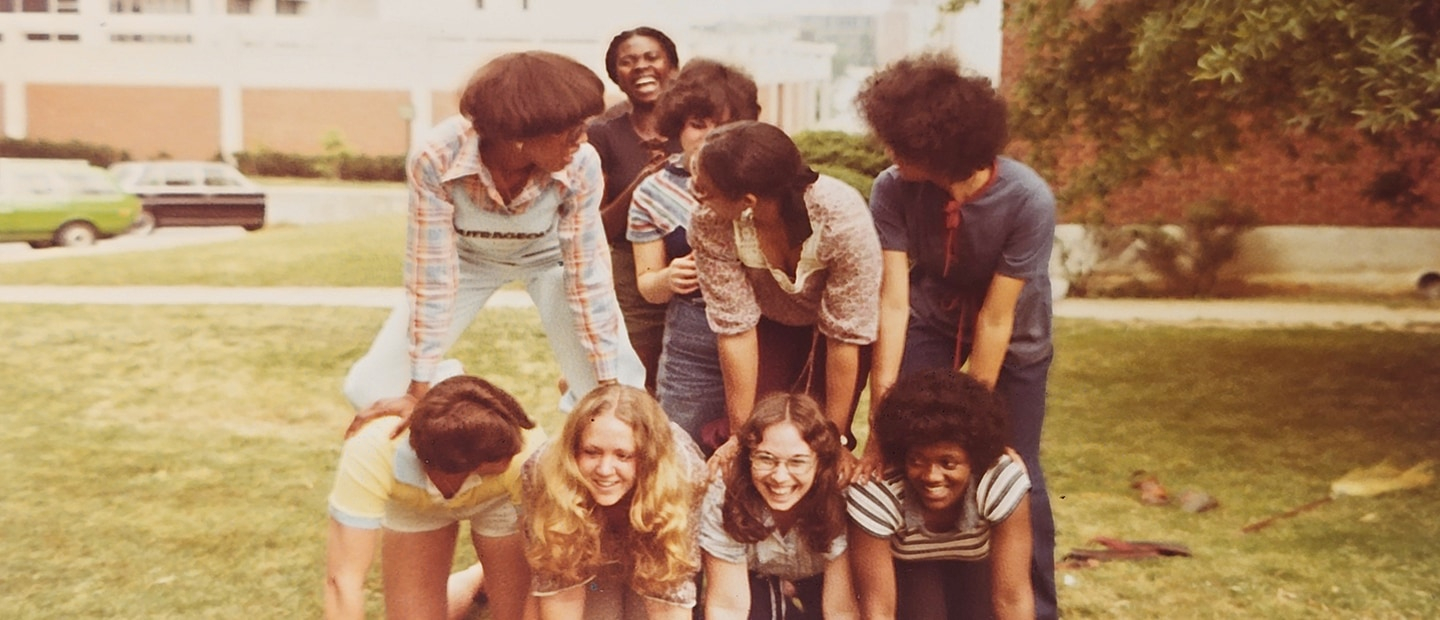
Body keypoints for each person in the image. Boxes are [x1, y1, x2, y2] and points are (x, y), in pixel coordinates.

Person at [853, 52, 1058, 619]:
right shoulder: (893, 188)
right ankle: (928, 599)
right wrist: (880, 417)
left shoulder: (1027, 198)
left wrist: (976, 428)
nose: (888, 152)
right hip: (932, 316)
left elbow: (996, 319)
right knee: (909, 451)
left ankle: (1030, 605)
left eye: (900, 142)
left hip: (1012, 332)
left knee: (1014, 471)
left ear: (939, 147)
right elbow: (892, 303)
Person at [341, 50, 646, 418]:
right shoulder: (436, 156)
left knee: (616, 399)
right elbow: (431, 276)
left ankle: (580, 393)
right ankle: (448, 384)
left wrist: (606, 383)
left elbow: (588, 277)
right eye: (571, 130)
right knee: (370, 388)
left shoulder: (581, 162)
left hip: (550, 260)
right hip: (467, 261)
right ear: (520, 135)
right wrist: (420, 387)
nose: (582, 139)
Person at [688, 121, 883, 476]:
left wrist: (834, 438)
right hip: (768, 322)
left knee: (815, 442)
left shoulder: (840, 217)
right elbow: (735, 329)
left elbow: (845, 335)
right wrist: (738, 435)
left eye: (705, 190)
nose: (696, 197)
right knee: (761, 435)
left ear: (747, 201)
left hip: (836, 333)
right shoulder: (710, 221)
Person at [324, 375, 543, 620]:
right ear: (459, 464)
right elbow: (343, 580)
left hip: (500, 501)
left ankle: (492, 574)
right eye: (499, 456)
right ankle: (475, 578)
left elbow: (543, 570)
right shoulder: (374, 451)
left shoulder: (526, 455)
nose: (517, 447)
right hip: (417, 506)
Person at [627, 58, 761, 451]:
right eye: (698, 125)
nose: (710, 137)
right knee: (680, 448)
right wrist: (667, 279)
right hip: (692, 337)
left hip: (766, 329)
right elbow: (647, 284)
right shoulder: (652, 193)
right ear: (677, 126)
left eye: (724, 126)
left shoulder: (765, 178)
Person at [847, 369, 1034, 620]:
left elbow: (1012, 597)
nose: (931, 476)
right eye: (917, 460)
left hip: (975, 565)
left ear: (974, 460)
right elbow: (878, 610)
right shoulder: (876, 491)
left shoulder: (999, 480)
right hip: (908, 567)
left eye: (948, 463)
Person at [521, 384, 707, 619]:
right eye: (591, 452)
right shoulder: (543, 471)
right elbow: (561, 590)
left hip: (648, 553)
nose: (605, 469)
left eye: (623, 455)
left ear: (649, 456)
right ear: (573, 449)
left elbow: (668, 602)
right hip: (590, 553)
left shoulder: (683, 475)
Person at [700, 392, 858, 619]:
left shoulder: (839, 493)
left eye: (797, 461)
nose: (780, 477)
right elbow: (727, 607)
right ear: (747, 458)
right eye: (766, 458)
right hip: (753, 577)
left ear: (820, 462)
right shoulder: (723, 493)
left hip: (822, 579)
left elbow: (841, 611)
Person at [590, 26, 683, 392]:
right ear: (616, 76)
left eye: (651, 58)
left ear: (672, 66)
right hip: (630, 273)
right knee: (638, 383)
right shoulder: (603, 134)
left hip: (691, 268)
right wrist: (644, 181)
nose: (641, 68)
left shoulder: (695, 127)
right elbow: (598, 227)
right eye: (627, 62)